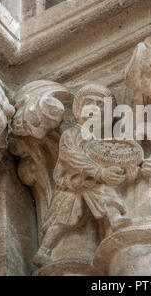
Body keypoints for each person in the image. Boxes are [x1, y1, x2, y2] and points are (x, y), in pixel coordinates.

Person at [33, 84, 130, 267]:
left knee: (107, 193)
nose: (94, 108)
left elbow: (111, 158)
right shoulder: (71, 133)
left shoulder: (101, 141)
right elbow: (72, 157)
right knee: (63, 219)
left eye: (100, 105)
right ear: (79, 110)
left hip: (91, 184)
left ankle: (115, 219)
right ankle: (43, 250)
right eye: (89, 103)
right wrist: (100, 171)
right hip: (70, 185)